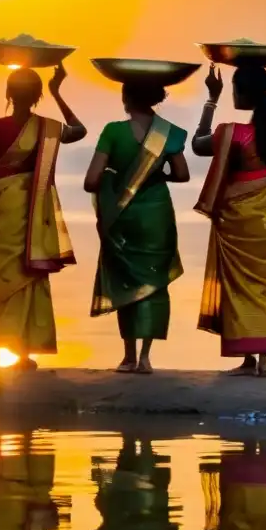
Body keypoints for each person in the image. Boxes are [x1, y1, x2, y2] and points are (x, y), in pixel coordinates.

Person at [0, 63, 86, 369]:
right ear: (38, 96)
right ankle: (24, 352)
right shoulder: (48, 127)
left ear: (8, 94)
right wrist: (58, 91)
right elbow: (78, 131)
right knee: (27, 275)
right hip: (29, 211)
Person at [192, 61, 266, 377]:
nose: (232, 94)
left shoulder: (232, 134)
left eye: (234, 89)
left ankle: (249, 360)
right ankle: (262, 361)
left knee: (239, 288)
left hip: (239, 224)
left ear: (241, 93)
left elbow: (198, 145)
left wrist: (211, 98)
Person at [84, 81, 190, 374]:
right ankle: (145, 357)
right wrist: (154, 177)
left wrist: (114, 178)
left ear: (126, 98)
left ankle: (128, 357)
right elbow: (182, 175)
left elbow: (91, 181)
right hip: (157, 215)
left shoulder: (113, 131)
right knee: (155, 283)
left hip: (123, 217)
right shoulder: (168, 133)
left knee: (125, 280)